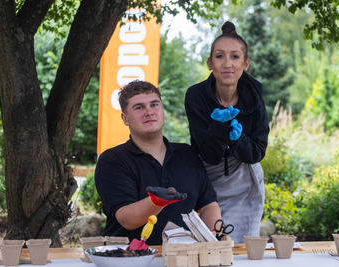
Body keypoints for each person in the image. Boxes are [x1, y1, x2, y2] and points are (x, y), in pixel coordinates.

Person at [95, 80, 221, 245]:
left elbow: (208, 205)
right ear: (125, 118)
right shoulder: (112, 160)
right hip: (127, 258)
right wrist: (157, 201)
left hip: (182, 257)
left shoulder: (187, 153)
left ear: (162, 110)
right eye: (139, 107)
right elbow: (127, 219)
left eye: (154, 104)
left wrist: (214, 240)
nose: (149, 112)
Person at [184, 21, 270, 243]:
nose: (227, 64)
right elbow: (209, 154)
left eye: (235, 57)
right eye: (220, 56)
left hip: (245, 181)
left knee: (241, 247)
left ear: (246, 63)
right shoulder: (196, 97)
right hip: (208, 181)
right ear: (210, 63)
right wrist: (220, 129)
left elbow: (258, 152)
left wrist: (238, 139)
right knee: (211, 243)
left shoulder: (255, 95)